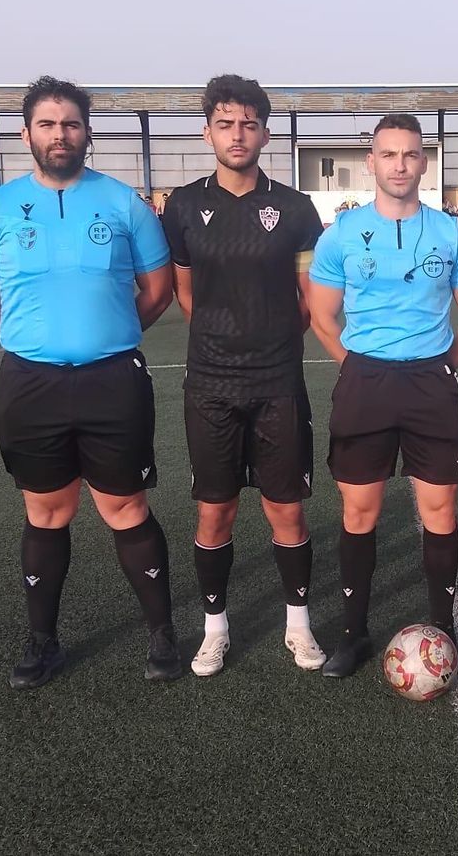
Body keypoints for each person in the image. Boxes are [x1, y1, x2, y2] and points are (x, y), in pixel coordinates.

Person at [0, 75, 178, 690]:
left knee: (127, 507)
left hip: (114, 382)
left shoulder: (123, 203)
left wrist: (104, 332)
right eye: (48, 124)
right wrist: (33, 338)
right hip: (31, 385)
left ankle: (162, 633)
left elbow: (157, 291)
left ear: (87, 133)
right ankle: (43, 641)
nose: (60, 134)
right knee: (47, 513)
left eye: (71, 124)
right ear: (26, 133)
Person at [308, 113, 458, 678]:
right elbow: (321, 314)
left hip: (428, 385)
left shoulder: (450, 233)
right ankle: (352, 633)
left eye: (410, 155)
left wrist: (438, 369)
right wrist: (361, 367)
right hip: (365, 382)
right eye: (388, 155)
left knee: (439, 509)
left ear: (423, 161)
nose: (399, 165)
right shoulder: (340, 233)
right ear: (371, 162)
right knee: (359, 511)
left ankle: (441, 630)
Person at [162, 74, 329, 677]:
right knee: (216, 511)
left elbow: (310, 296)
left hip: (278, 381)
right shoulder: (182, 206)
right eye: (226, 123)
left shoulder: (295, 208)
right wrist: (222, 337)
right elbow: (185, 293)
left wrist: (271, 339)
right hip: (209, 384)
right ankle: (215, 629)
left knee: (286, 509)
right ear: (208, 130)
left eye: (249, 123)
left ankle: (298, 624)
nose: (238, 134)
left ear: (264, 131)